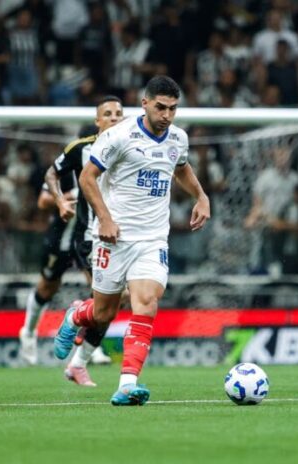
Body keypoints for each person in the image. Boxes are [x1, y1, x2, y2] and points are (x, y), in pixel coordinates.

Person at [52, 76, 210, 405]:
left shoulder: (178, 138)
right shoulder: (118, 136)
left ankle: (127, 384)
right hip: (115, 238)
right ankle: (76, 315)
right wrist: (105, 219)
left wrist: (201, 196)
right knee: (103, 313)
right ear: (145, 103)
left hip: (153, 239)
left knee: (146, 302)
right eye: (161, 107)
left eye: (173, 109)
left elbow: (180, 167)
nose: (167, 115)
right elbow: (87, 178)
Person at [18, 96, 124, 379]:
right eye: (108, 114)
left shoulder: (130, 148)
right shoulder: (77, 156)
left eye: (118, 114)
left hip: (105, 236)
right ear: (97, 122)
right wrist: (64, 200)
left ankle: (84, 348)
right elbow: (43, 197)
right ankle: (29, 332)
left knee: (108, 296)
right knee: (48, 287)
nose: (114, 118)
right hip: (67, 235)